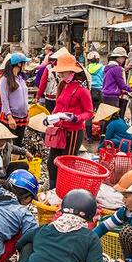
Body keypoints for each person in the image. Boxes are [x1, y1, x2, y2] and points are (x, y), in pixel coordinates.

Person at [16, 189, 129, 262]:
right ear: (89, 216)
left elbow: (20, 244)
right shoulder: (89, 238)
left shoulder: (43, 230)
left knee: (29, 246)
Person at [44, 54, 94, 189]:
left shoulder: (82, 90)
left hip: (73, 133)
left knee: (67, 164)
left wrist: (76, 118)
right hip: (59, 131)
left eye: (62, 71)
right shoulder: (62, 85)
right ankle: (53, 188)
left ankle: (65, 189)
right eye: (59, 71)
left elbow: (89, 112)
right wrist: (50, 117)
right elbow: (58, 106)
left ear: (72, 72)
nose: (59, 74)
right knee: (52, 163)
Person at [101, 47, 132, 135]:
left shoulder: (107, 67)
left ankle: (103, 140)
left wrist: (127, 93)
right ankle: (106, 141)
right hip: (113, 98)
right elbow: (122, 85)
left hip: (106, 96)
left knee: (107, 120)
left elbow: (113, 85)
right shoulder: (117, 68)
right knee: (113, 121)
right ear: (120, 57)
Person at [0, 53, 30, 147]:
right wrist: (9, 116)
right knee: (10, 146)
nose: (25, 66)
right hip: (11, 117)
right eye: (24, 63)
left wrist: (27, 112)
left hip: (22, 117)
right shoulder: (5, 79)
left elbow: (25, 96)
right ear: (19, 64)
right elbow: (4, 99)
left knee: (19, 144)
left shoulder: (21, 78)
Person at [33, 47, 69, 113]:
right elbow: (43, 83)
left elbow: (42, 83)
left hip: (54, 98)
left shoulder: (49, 68)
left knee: (51, 117)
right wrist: (37, 96)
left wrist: (37, 97)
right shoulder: (66, 69)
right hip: (59, 98)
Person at [85, 51, 104, 143]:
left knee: (89, 115)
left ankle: (89, 138)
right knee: (101, 116)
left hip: (89, 92)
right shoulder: (103, 68)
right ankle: (102, 138)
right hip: (100, 92)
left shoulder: (87, 68)